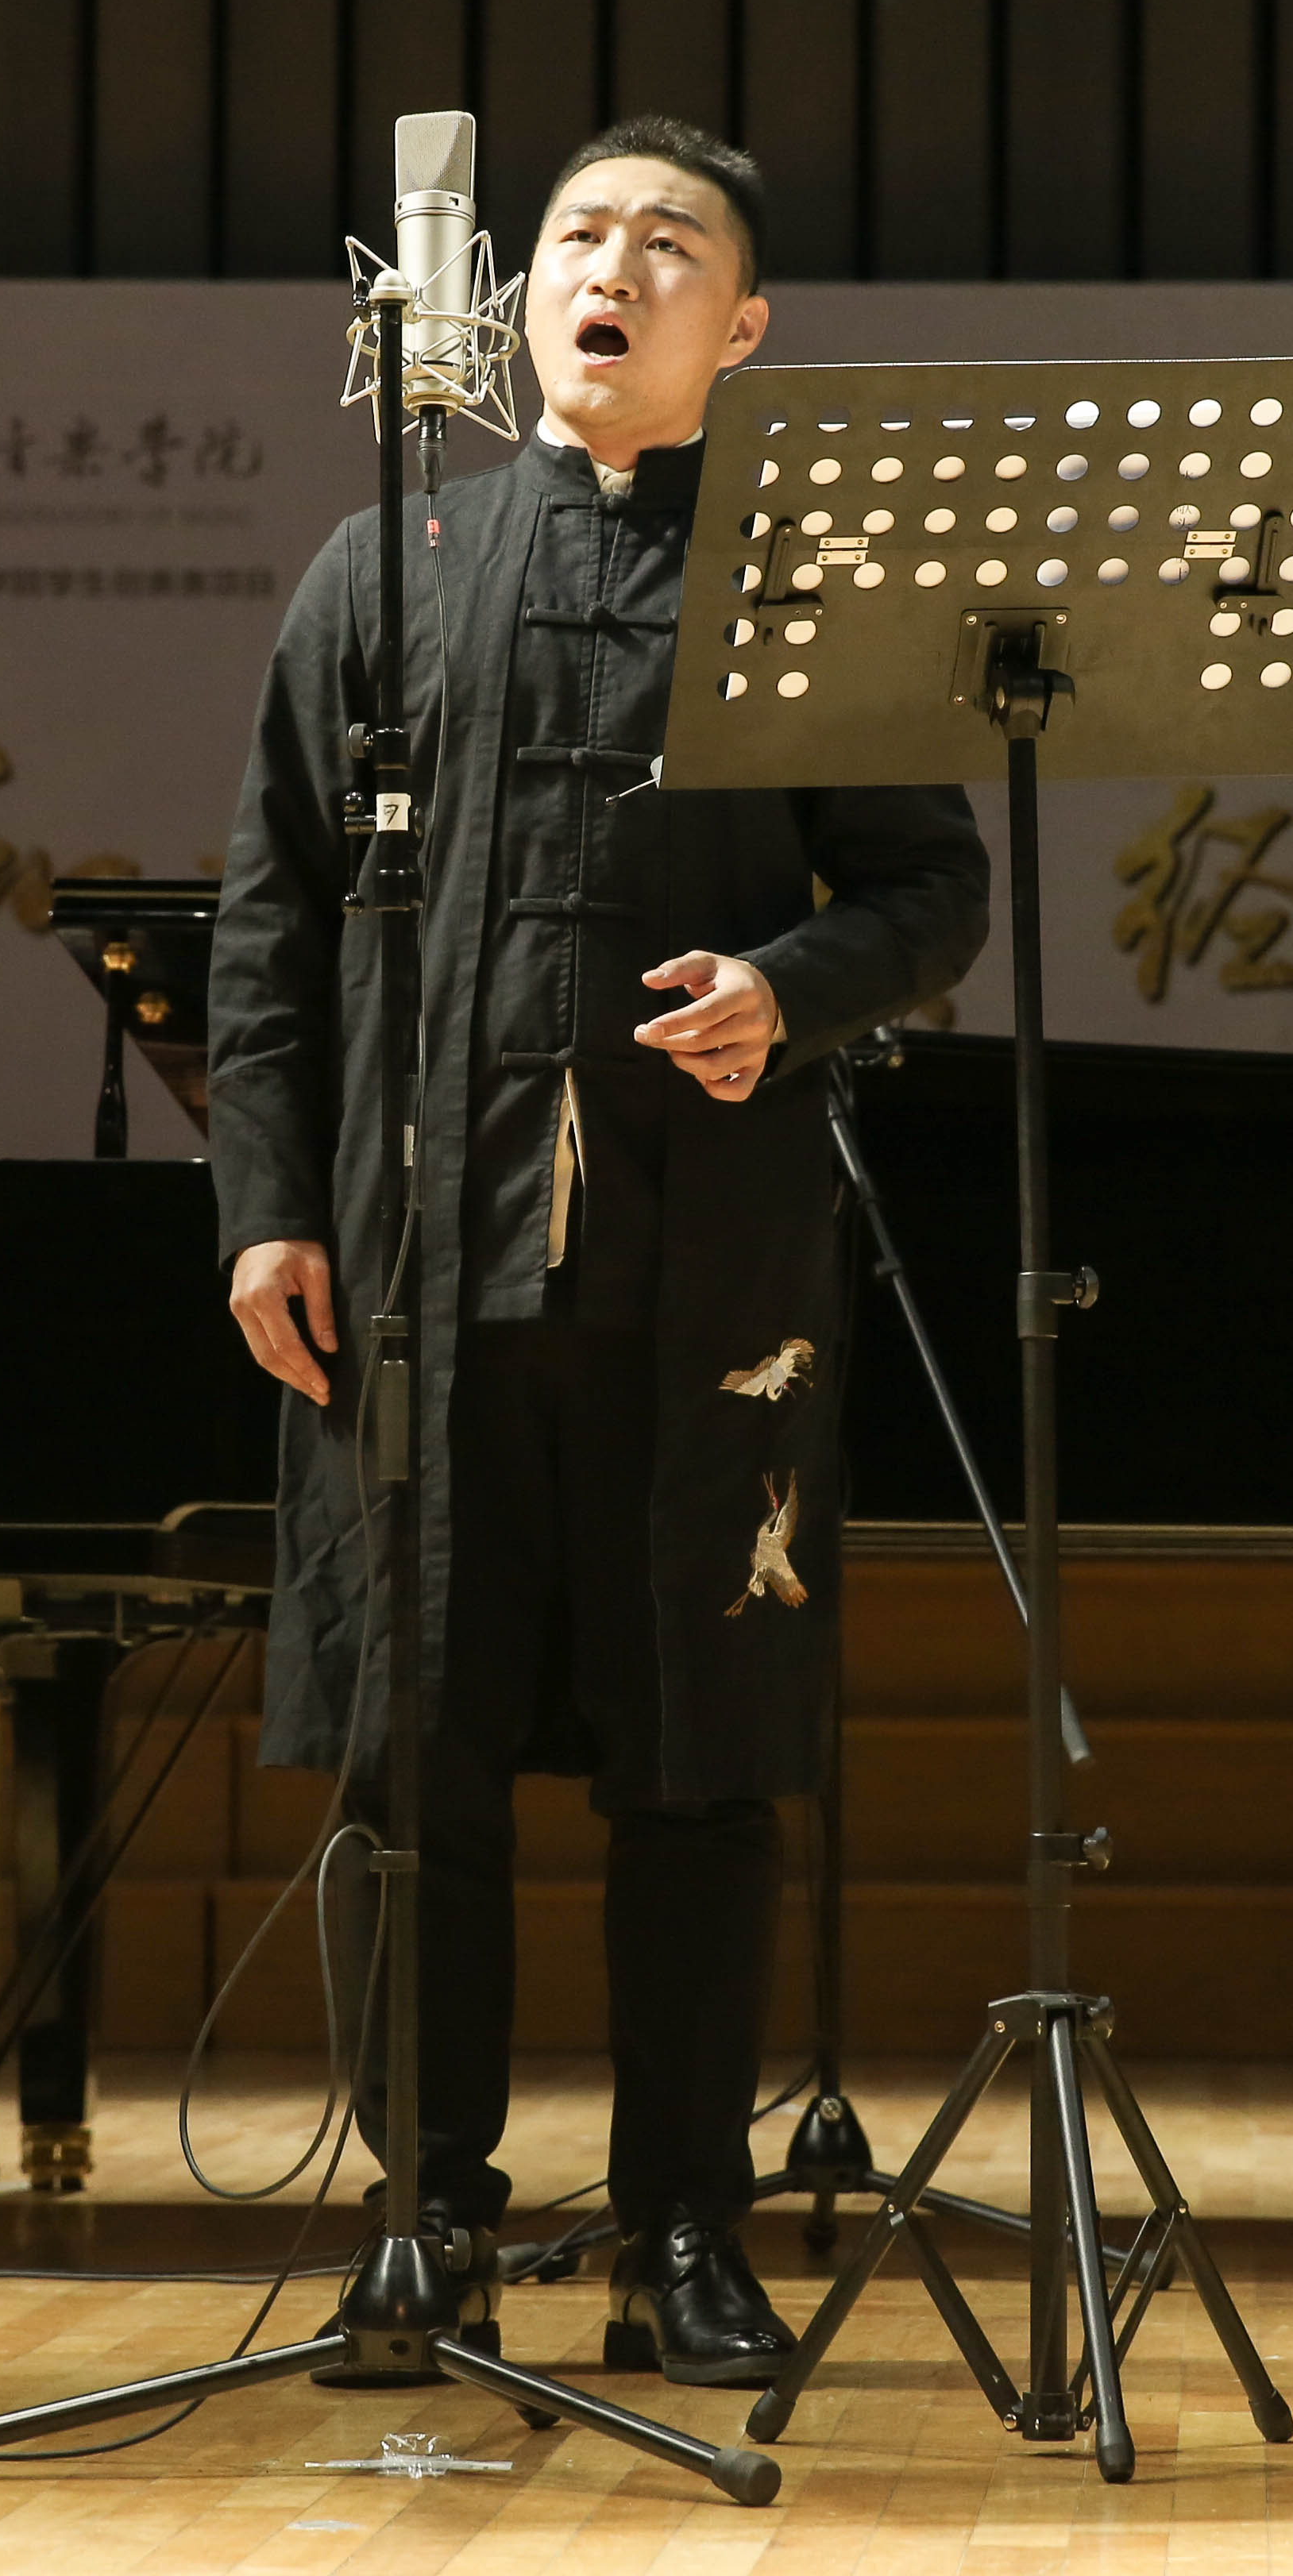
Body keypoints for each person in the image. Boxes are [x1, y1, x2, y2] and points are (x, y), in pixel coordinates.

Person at [207, 117, 991, 2384]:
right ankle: (428, 2220)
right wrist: (267, 1208)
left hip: (706, 1280)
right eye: (576, 236)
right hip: (418, 1276)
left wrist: (788, 986)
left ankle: (681, 2233)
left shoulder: (809, 584)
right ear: (516, 294)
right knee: (414, 1768)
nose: (610, 269)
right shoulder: (387, 565)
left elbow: (931, 891)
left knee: (697, 1770)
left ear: (742, 329)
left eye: (667, 245)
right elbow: (269, 923)